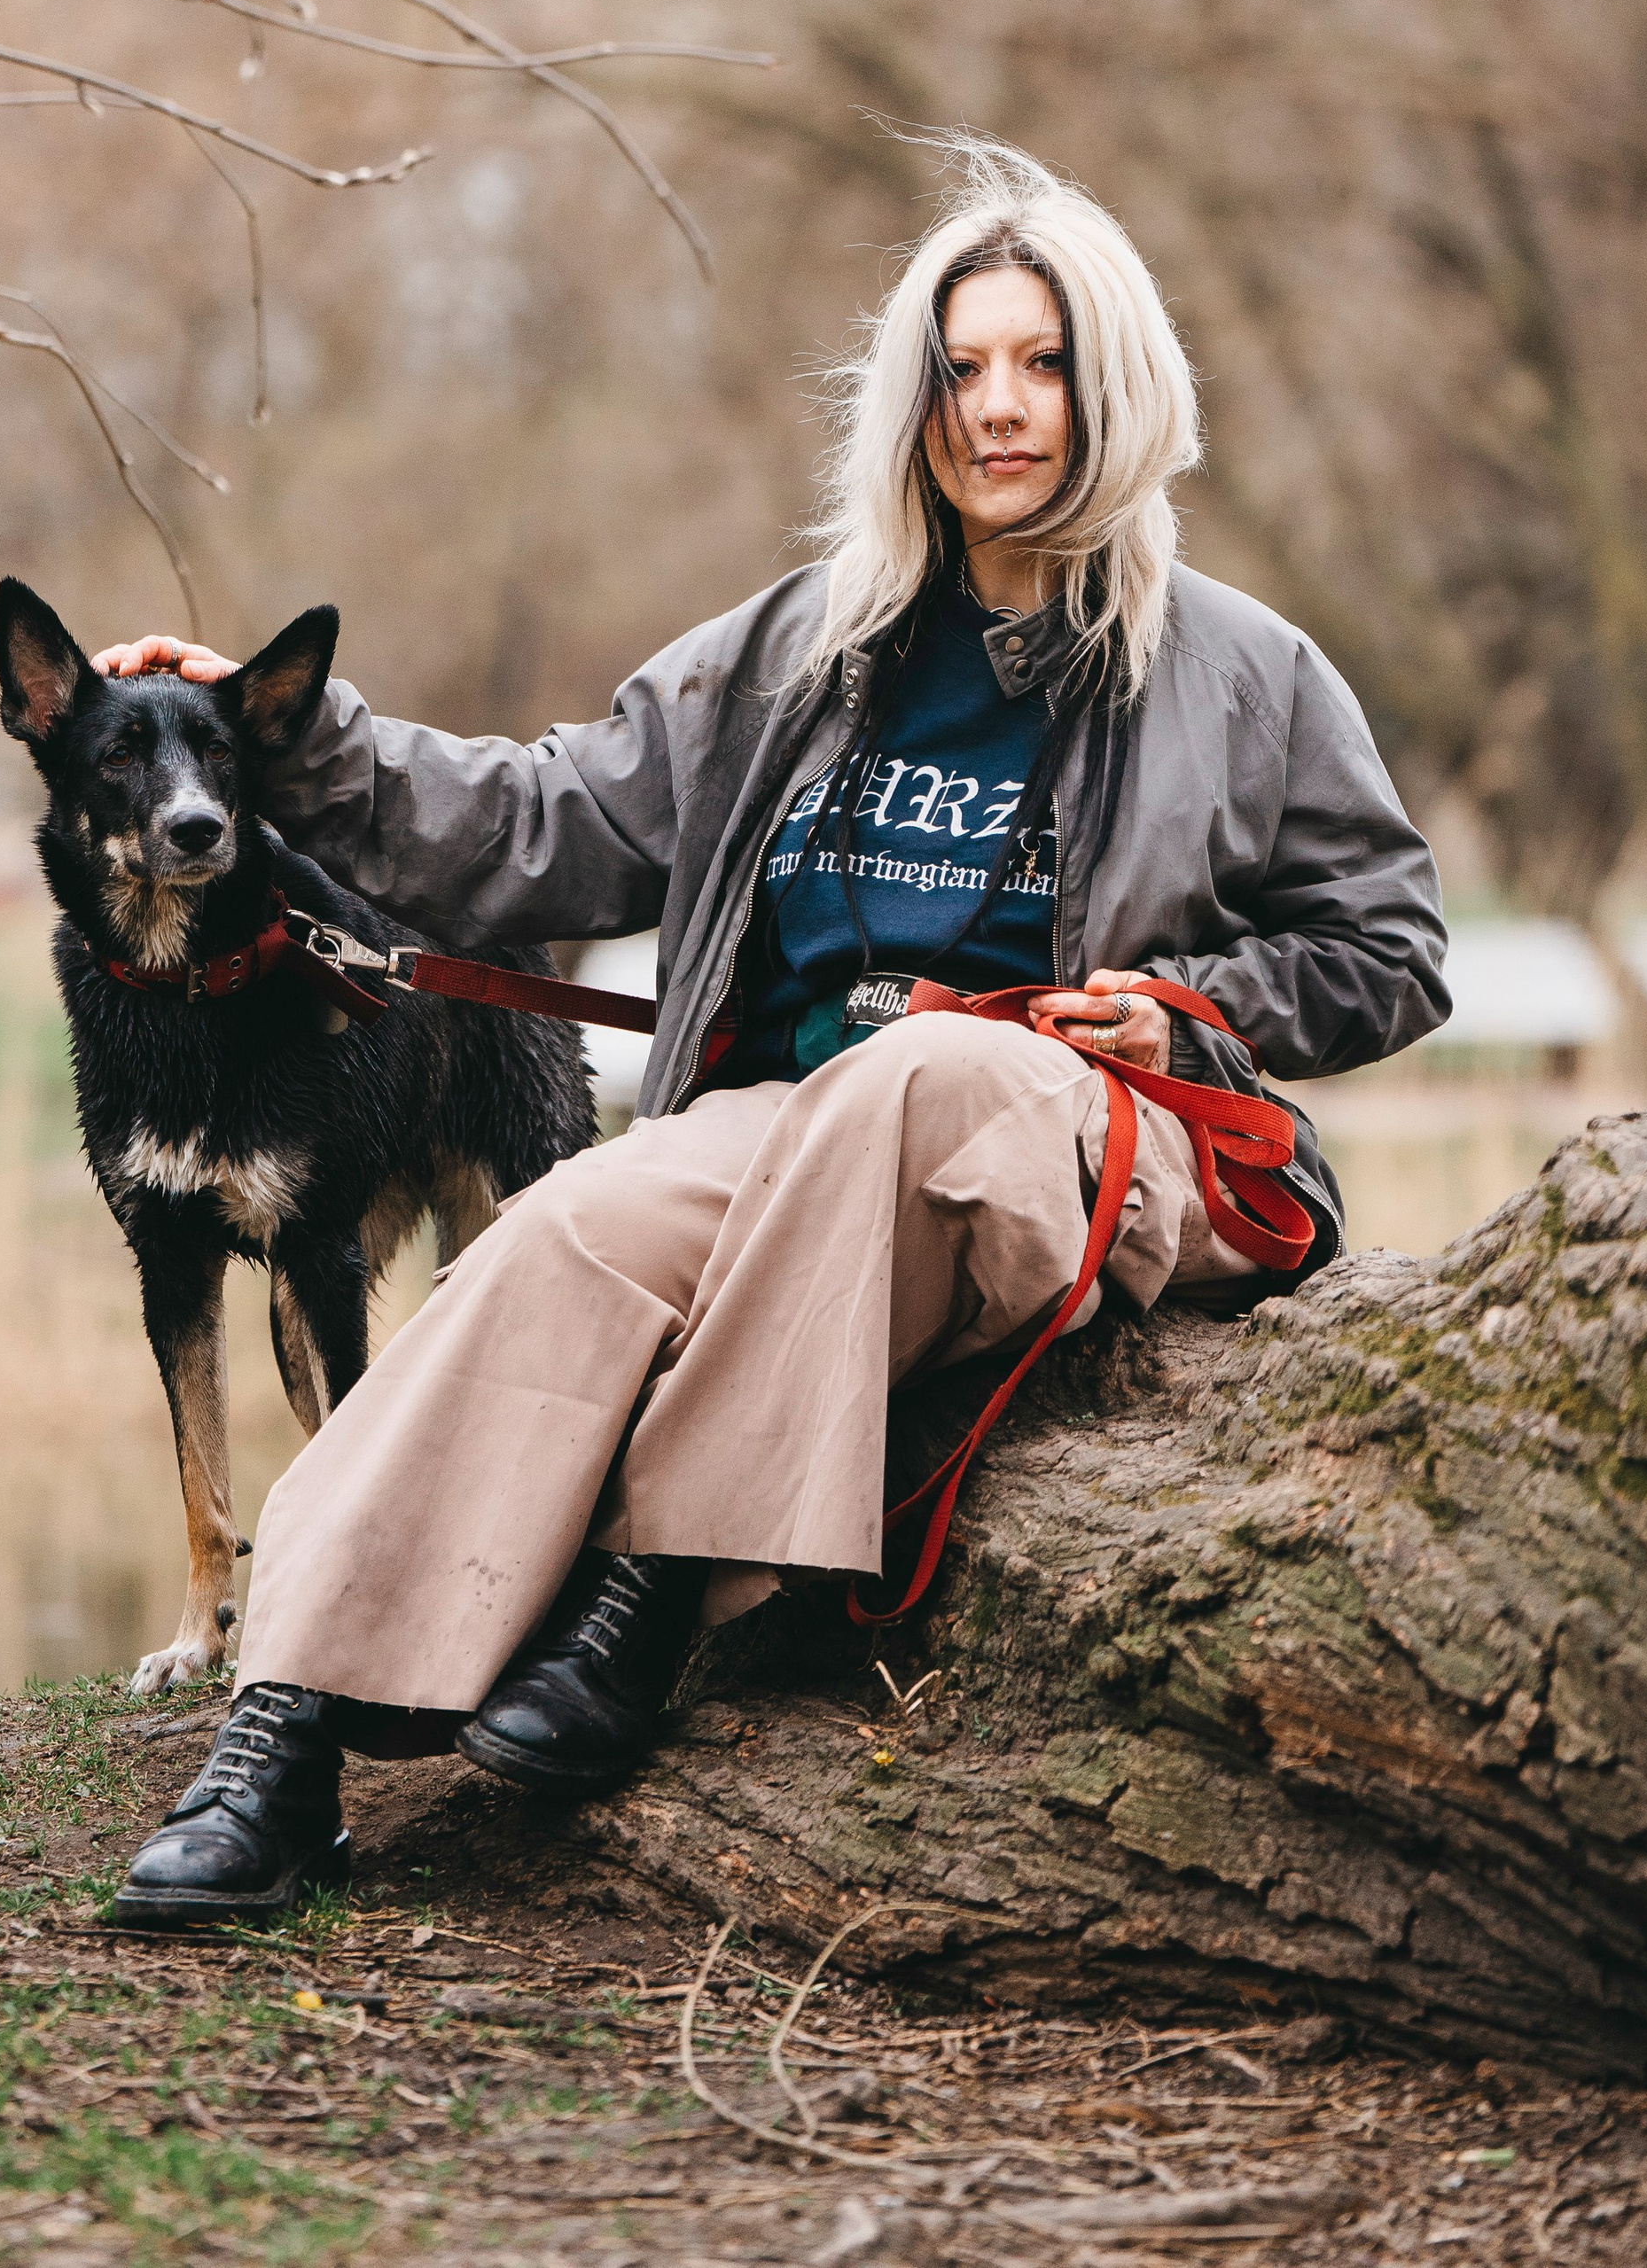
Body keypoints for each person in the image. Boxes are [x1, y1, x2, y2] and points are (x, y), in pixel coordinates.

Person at [90, 142, 1448, 1929]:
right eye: (958, 368)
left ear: (1112, 385)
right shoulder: (811, 646)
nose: (996, 405)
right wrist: (292, 737)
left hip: (1079, 1128)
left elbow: (1393, 946)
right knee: (574, 1219)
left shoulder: (1239, 668)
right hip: (799, 1134)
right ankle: (288, 1730)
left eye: (1038, 362)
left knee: (916, 1071)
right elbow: (540, 818)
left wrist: (1207, 1009)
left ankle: (655, 1583)